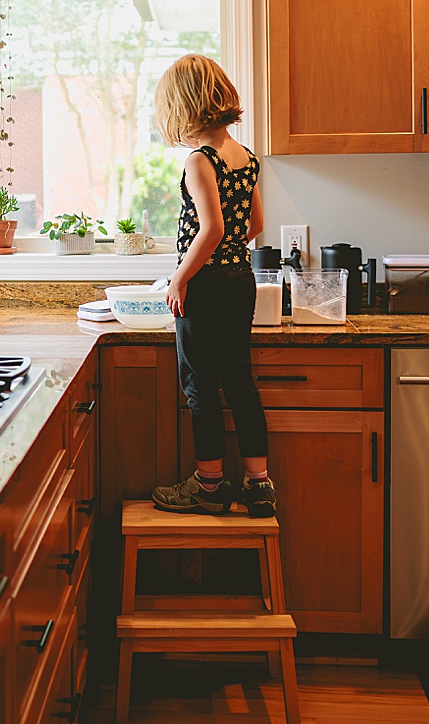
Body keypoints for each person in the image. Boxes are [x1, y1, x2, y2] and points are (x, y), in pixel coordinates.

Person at [150, 54, 274, 517]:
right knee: (240, 382)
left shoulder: (199, 161)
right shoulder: (246, 157)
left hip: (203, 286)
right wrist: (223, 264)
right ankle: (259, 484)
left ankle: (209, 485)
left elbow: (212, 229)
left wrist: (181, 277)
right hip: (240, 280)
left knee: (200, 385)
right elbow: (254, 224)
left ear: (182, 107)